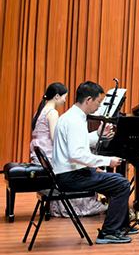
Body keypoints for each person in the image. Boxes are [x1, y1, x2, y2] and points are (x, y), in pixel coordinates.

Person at [53, 81, 133, 244]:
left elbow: (78, 143)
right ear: (88, 100)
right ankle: (109, 232)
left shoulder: (71, 116)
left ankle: (122, 226)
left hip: (70, 173)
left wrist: (98, 134)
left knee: (118, 181)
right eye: (98, 102)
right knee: (122, 184)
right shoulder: (75, 121)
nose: (99, 106)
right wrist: (108, 161)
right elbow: (77, 155)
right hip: (71, 176)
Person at [30, 83, 107, 218]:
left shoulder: (40, 110)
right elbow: (55, 138)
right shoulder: (52, 112)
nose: (65, 100)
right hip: (50, 155)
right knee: (80, 166)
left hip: (40, 154)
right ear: (57, 96)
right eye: (64, 97)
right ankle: (84, 206)